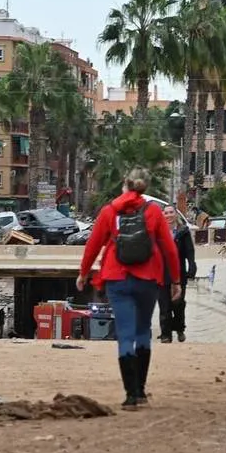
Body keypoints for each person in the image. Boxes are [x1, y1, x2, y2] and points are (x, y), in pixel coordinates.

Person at [78, 170, 181, 411]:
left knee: (125, 335)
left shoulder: (109, 211)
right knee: (143, 330)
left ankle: (130, 396)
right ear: (145, 187)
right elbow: (169, 248)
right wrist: (176, 280)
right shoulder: (154, 211)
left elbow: (93, 244)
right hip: (148, 277)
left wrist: (84, 273)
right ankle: (141, 390)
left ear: (125, 185)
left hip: (117, 277)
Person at [158, 205, 197, 344]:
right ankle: (165, 334)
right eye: (166, 213)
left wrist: (192, 265)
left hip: (179, 274)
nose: (168, 215)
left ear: (176, 215)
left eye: (171, 212)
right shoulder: (157, 232)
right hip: (162, 273)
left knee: (178, 304)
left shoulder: (183, 232)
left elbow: (189, 251)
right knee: (164, 305)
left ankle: (179, 328)